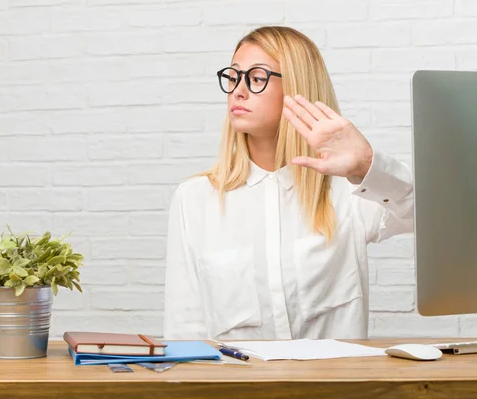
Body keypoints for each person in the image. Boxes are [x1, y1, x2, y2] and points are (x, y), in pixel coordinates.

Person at [163, 26, 413, 340]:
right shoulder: (195, 199)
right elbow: (184, 328)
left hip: (332, 387)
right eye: (233, 77)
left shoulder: (348, 190)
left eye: (256, 79)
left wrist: (366, 164)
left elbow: (436, 215)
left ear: (298, 87)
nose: (238, 91)